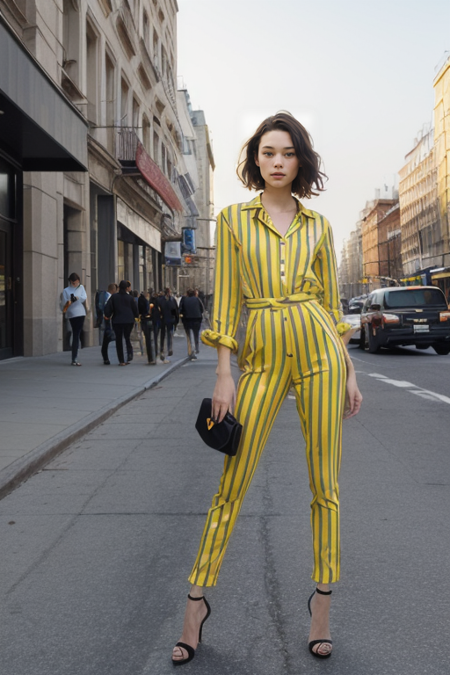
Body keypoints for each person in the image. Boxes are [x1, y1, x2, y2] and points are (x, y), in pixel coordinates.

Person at [172, 112, 363, 666]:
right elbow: (228, 300)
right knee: (232, 482)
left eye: (287, 153)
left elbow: (331, 305)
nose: (277, 161)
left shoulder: (319, 227)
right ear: (255, 160)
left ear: (299, 159)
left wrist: (349, 369)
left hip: (321, 353)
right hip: (261, 357)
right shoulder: (233, 220)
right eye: (267, 152)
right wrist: (223, 371)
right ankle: (195, 604)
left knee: (324, 484)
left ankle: (322, 604)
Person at [103, 280, 138, 365]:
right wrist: (135, 316)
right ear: (126, 288)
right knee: (127, 337)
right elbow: (135, 310)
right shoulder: (130, 298)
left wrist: (108, 315)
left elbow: (108, 307)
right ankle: (129, 354)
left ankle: (121, 360)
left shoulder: (114, 297)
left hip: (117, 320)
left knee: (118, 340)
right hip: (129, 321)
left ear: (119, 287)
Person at [60, 272, 87, 366]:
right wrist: (69, 301)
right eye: (73, 282)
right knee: (75, 334)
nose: (75, 284)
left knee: (77, 333)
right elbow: (64, 303)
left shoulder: (81, 287)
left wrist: (77, 298)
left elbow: (84, 297)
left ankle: (74, 357)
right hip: (72, 313)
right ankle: (74, 357)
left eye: (76, 282)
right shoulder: (66, 290)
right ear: (70, 281)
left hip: (80, 312)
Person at [179, 289, 204, 360]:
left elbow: (181, 309)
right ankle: (196, 347)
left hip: (187, 319)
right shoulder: (197, 300)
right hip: (197, 319)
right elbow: (202, 309)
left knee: (189, 336)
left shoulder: (184, 300)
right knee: (196, 334)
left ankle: (191, 350)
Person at [157, 287, 179, 363]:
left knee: (163, 335)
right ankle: (168, 348)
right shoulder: (172, 300)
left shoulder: (161, 300)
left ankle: (162, 350)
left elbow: (159, 311)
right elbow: (175, 311)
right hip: (169, 319)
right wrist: (176, 320)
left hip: (163, 320)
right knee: (169, 334)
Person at [100, 283, 118, 364]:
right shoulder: (110, 297)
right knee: (108, 339)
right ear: (113, 290)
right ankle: (106, 357)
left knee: (106, 340)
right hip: (108, 321)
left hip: (106, 321)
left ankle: (106, 358)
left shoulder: (104, 296)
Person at [138, 291, 156, 365]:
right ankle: (152, 357)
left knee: (147, 339)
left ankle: (150, 357)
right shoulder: (147, 301)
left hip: (143, 320)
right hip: (149, 321)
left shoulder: (140, 300)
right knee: (151, 339)